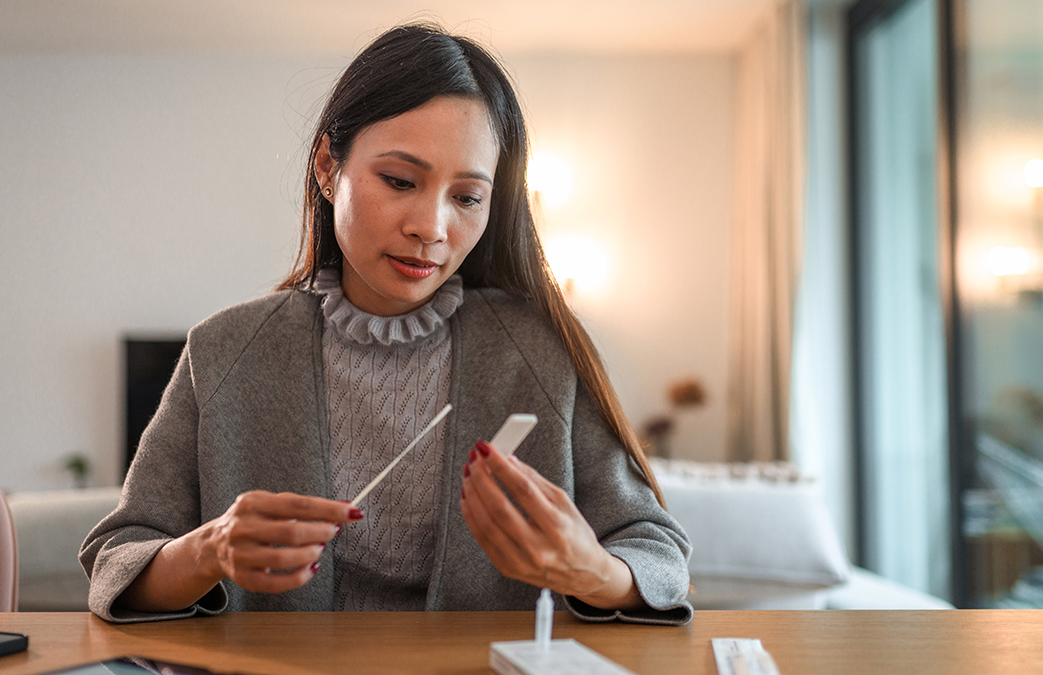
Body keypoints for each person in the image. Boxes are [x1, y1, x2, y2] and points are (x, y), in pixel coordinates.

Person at [80, 22, 692, 625]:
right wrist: (207, 551)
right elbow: (117, 561)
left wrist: (592, 570)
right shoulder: (224, 351)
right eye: (399, 181)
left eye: (467, 197)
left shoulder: (540, 350)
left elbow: (656, 553)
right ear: (327, 166)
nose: (431, 227)